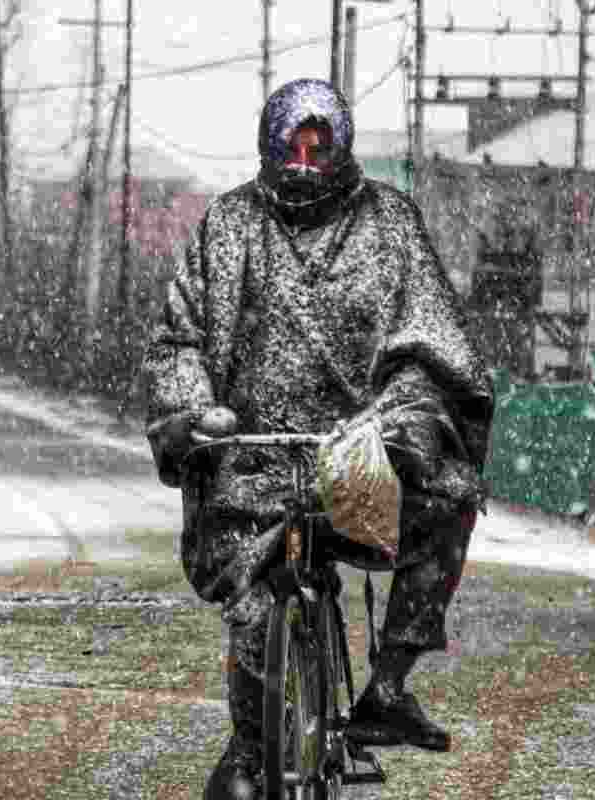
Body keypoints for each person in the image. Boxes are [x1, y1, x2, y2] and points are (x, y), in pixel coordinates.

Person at [140, 78, 495, 800]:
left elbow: (431, 349)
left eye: (318, 145)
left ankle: (388, 685)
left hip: (360, 462)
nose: (304, 159)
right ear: (270, 144)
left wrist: (396, 422)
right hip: (253, 461)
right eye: (291, 145)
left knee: (453, 498)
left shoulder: (390, 224)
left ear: (341, 147)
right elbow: (178, 340)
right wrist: (194, 410)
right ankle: (249, 748)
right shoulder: (228, 226)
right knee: (249, 608)